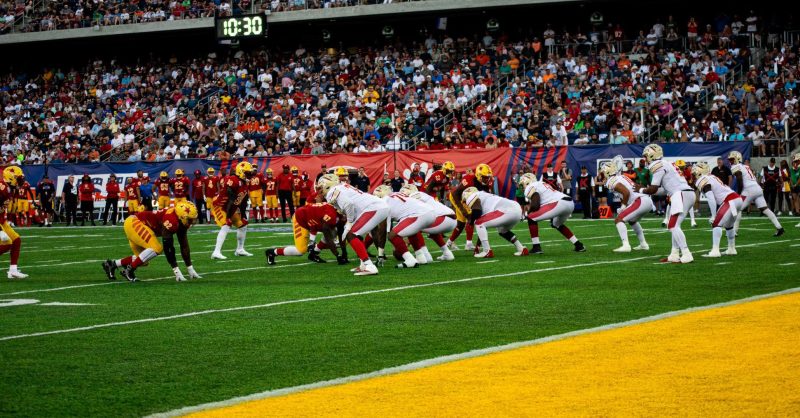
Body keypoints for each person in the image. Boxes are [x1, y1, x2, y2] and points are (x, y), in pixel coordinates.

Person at [102, 201, 201, 282]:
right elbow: (168, 248)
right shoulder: (171, 219)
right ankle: (129, 270)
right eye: (190, 219)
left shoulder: (179, 220)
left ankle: (112, 264)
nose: (192, 222)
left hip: (136, 224)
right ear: (182, 216)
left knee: (142, 260)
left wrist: (190, 268)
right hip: (135, 222)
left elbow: (184, 245)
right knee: (157, 248)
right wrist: (176, 270)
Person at [317, 174, 387, 276]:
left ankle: (369, 266)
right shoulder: (342, 186)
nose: (320, 190)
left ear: (327, 185)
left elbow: (348, 204)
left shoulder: (332, 191)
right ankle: (363, 264)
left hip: (373, 208)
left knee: (351, 234)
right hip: (376, 207)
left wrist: (349, 222)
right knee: (356, 234)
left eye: (321, 187)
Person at [639, 144, 695, 264]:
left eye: (646, 156)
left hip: (680, 194)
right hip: (686, 193)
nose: (645, 159)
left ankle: (686, 253)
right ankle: (674, 254)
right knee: (675, 225)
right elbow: (664, 190)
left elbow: (653, 189)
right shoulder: (667, 163)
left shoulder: (657, 165)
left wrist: (641, 190)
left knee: (672, 225)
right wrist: (646, 190)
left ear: (652, 155)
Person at [519, 174, 585, 254]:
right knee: (556, 224)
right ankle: (579, 245)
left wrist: (529, 212)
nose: (522, 187)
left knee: (531, 218)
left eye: (522, 185)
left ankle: (536, 247)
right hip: (569, 202)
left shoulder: (530, 187)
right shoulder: (541, 183)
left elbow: (536, 204)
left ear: (527, 182)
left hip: (558, 203)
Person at [373, 185, 436, 268]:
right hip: (431, 213)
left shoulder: (384, 202)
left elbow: (383, 231)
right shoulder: (396, 195)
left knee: (392, 235)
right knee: (411, 232)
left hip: (419, 214)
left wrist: (380, 255)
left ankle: (410, 259)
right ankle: (421, 257)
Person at [265, 202, 343, 265]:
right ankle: (273, 252)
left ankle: (314, 253)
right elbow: (314, 225)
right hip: (300, 219)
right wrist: (311, 242)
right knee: (301, 250)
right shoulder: (331, 215)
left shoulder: (333, 212)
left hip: (312, 219)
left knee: (332, 232)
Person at [692, 162, 743, 258]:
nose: (694, 176)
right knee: (729, 225)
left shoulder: (703, 179)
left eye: (695, 173)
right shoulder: (711, 177)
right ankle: (731, 249)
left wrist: (713, 215)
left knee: (716, 223)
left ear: (700, 172)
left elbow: (710, 197)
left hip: (730, 200)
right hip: (737, 199)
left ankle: (715, 251)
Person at [461, 186, 528, 258]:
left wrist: (470, 222)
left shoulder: (473, 196)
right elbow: (483, 228)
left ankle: (487, 251)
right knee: (502, 230)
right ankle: (521, 249)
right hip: (516, 209)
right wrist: (477, 247)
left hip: (506, 210)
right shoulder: (484, 195)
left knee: (478, 223)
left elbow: (477, 212)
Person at [600, 162, 652, 252]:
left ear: (607, 172)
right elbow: (624, 194)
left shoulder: (611, 181)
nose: (602, 175)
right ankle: (643, 244)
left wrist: (623, 207)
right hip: (645, 200)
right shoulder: (621, 177)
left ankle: (626, 245)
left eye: (603, 173)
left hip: (640, 200)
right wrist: (623, 205)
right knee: (632, 221)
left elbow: (626, 192)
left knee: (618, 220)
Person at [729, 151, 783, 236]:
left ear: (737, 159)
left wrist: (738, 193)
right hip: (757, 188)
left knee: (737, 208)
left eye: (732, 159)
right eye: (730, 159)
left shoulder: (736, 167)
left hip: (749, 190)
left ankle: (734, 231)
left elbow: (740, 180)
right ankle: (779, 227)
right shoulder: (745, 166)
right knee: (765, 209)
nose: (730, 161)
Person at [400, 184, 457, 261]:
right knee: (432, 231)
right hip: (450, 218)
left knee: (414, 227)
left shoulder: (414, 195)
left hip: (442, 218)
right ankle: (447, 253)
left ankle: (426, 255)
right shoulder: (422, 194)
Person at [445, 164, 494, 251]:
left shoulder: (485, 184)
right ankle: (468, 243)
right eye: (485, 177)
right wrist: (462, 209)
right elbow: (456, 194)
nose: (487, 179)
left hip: (467, 199)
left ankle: (449, 242)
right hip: (457, 197)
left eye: (488, 177)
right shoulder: (469, 180)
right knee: (470, 215)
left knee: (461, 224)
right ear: (479, 175)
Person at [210, 161, 254, 259]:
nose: (249, 175)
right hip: (219, 206)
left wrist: (243, 215)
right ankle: (216, 252)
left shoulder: (244, 184)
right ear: (241, 172)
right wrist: (228, 217)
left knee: (243, 224)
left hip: (229, 208)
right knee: (227, 224)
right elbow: (230, 199)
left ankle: (239, 249)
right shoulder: (233, 180)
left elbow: (243, 202)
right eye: (247, 173)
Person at [1, 166, 29, 278]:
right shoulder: (3, 188)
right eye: (18, 178)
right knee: (7, 243)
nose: (20, 181)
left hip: (1, 220)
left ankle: (13, 270)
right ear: (11, 177)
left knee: (16, 240)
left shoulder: (9, 188)